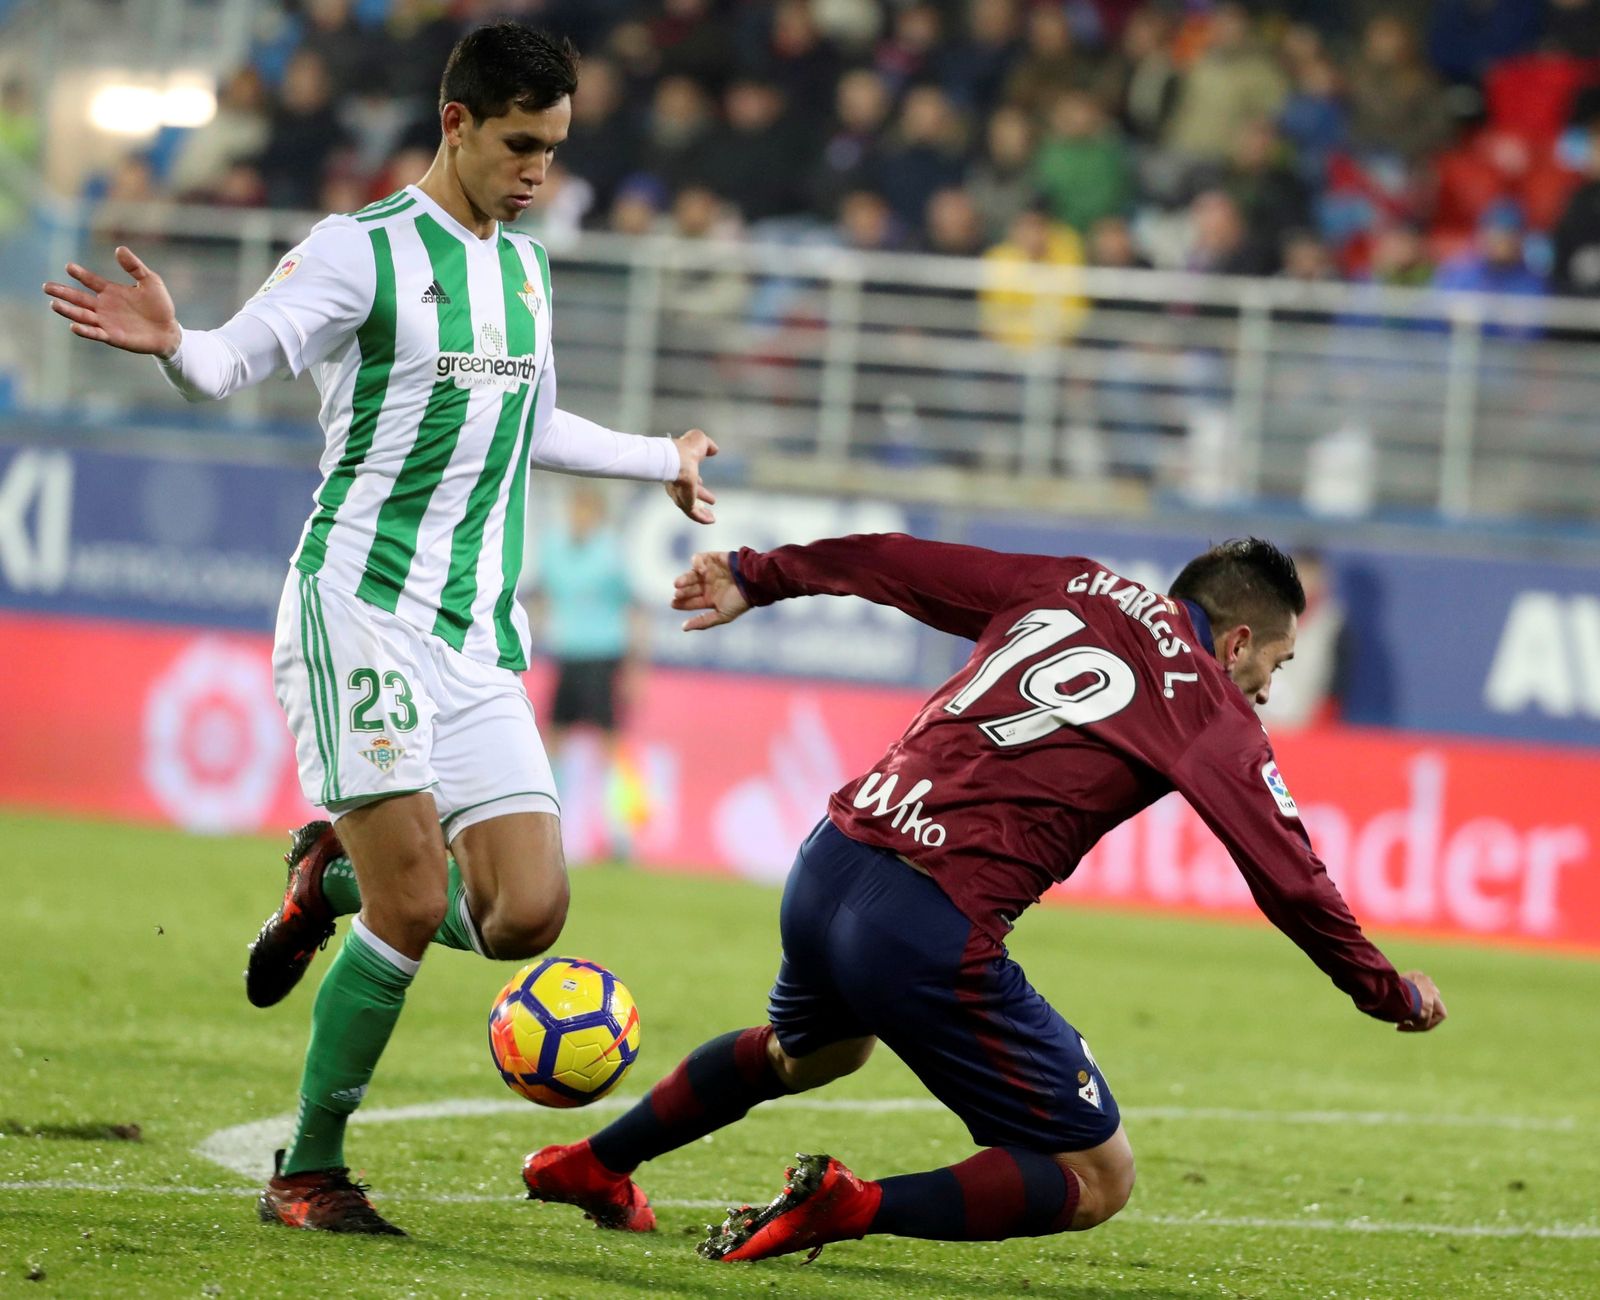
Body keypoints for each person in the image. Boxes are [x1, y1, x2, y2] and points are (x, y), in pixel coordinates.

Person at [42, 23, 718, 1237]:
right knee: (412, 907)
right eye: (519, 145)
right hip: (357, 607)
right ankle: (308, 1169)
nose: (538, 172)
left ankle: (329, 877)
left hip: (473, 634)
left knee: (526, 912)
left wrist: (657, 456)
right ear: (455, 123)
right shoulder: (357, 252)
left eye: (554, 149)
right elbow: (231, 362)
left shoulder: (526, 271)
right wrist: (176, 344)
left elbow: (531, 423)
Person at [522, 533, 1446, 1259]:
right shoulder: (1207, 703)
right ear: (1237, 640)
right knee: (1097, 1178)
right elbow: (1289, 875)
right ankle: (849, 1206)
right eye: (1275, 665)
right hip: (923, 926)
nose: (1268, 690)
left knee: (810, 1055)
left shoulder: (1072, 584)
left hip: (830, 859)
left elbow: (895, 563)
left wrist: (760, 576)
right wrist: (1385, 988)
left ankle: (593, 1164)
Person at [526, 483, 645, 861]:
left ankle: (621, 834)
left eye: (585, 511)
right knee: (553, 742)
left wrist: (635, 669)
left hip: (603, 657)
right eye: (574, 510)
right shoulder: (553, 549)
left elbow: (634, 609)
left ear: (598, 515)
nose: (578, 518)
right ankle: (548, 829)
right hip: (568, 657)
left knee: (611, 746)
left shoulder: (610, 554)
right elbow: (543, 597)